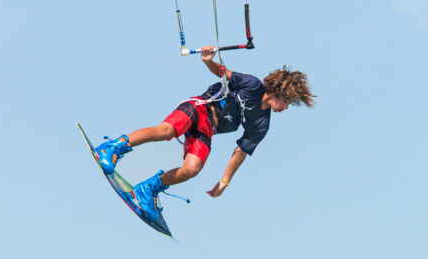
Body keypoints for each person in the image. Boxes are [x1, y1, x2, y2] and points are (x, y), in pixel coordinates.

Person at [96, 45, 315, 221]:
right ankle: (113, 147)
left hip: (207, 130)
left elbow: (240, 152)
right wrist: (208, 60)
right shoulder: (252, 85)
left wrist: (225, 181)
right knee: (167, 130)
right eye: (287, 101)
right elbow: (223, 73)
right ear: (278, 92)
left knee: (193, 168)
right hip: (199, 108)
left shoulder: (262, 124)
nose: (286, 107)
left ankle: (147, 189)